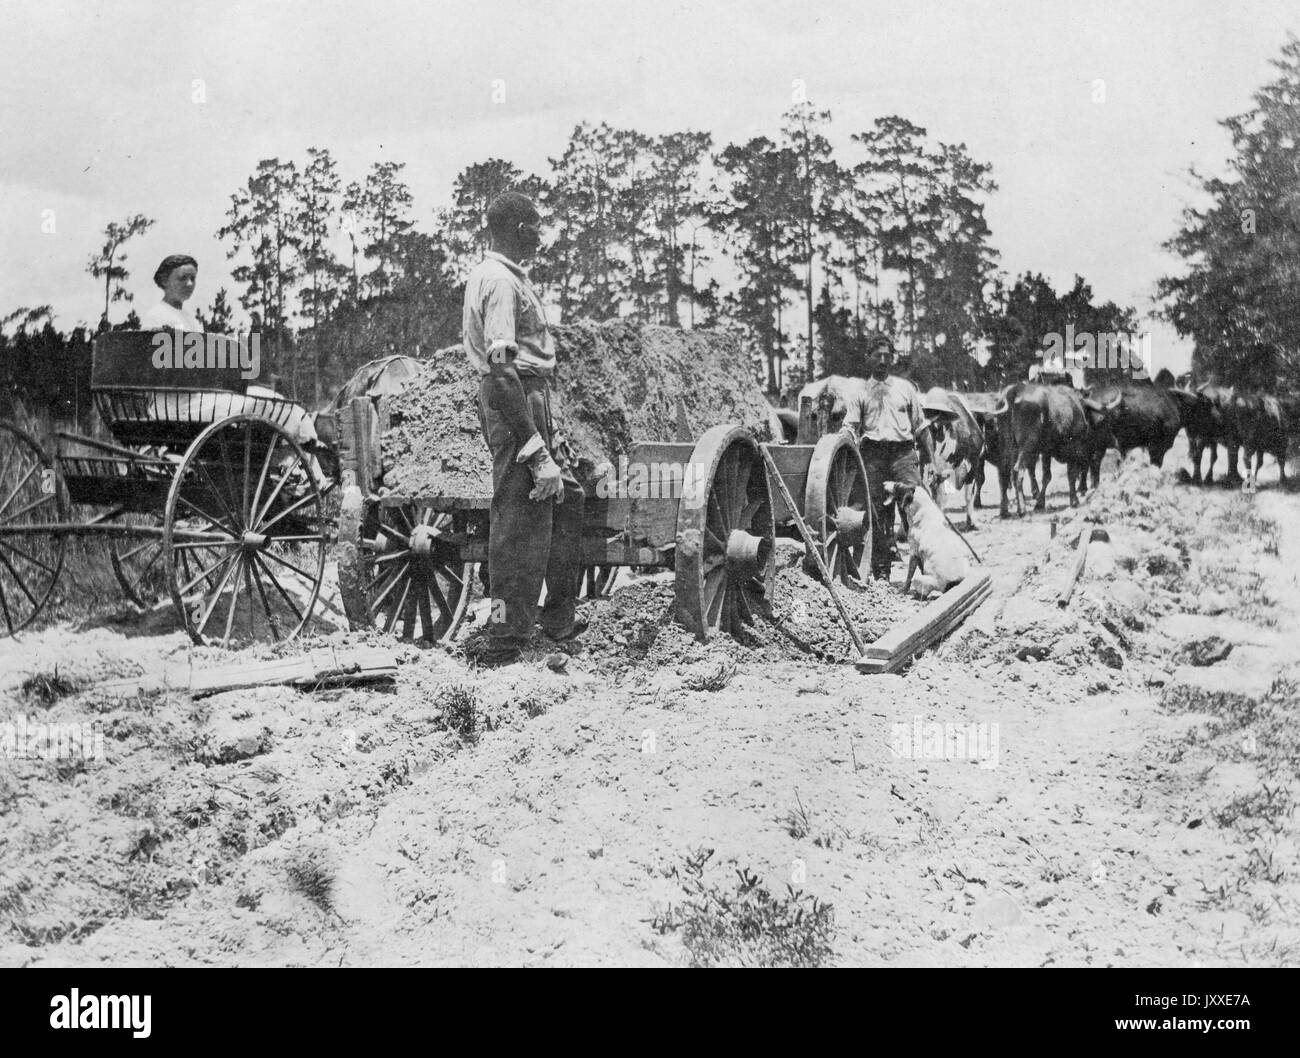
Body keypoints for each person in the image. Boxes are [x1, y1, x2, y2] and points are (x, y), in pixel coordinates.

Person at [463, 192, 585, 667]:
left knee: (568, 496)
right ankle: (502, 641)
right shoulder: (498, 282)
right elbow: (500, 370)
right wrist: (535, 450)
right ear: (516, 228)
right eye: (535, 225)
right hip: (513, 398)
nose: (540, 233)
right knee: (517, 515)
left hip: (531, 395)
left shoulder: (509, 278)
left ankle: (556, 619)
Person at [843, 332, 934, 581]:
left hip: (903, 454)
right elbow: (850, 427)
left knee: (916, 507)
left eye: (887, 355)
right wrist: (844, 438)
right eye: (877, 355)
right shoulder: (860, 393)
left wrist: (933, 462)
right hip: (873, 456)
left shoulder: (905, 389)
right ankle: (882, 571)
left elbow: (921, 428)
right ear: (868, 358)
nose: (883, 360)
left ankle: (929, 568)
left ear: (892, 358)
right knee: (877, 514)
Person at [140, 255, 200, 330]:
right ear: (164, 280)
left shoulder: (192, 320)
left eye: (193, 278)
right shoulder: (156, 316)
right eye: (183, 278)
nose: (190, 284)